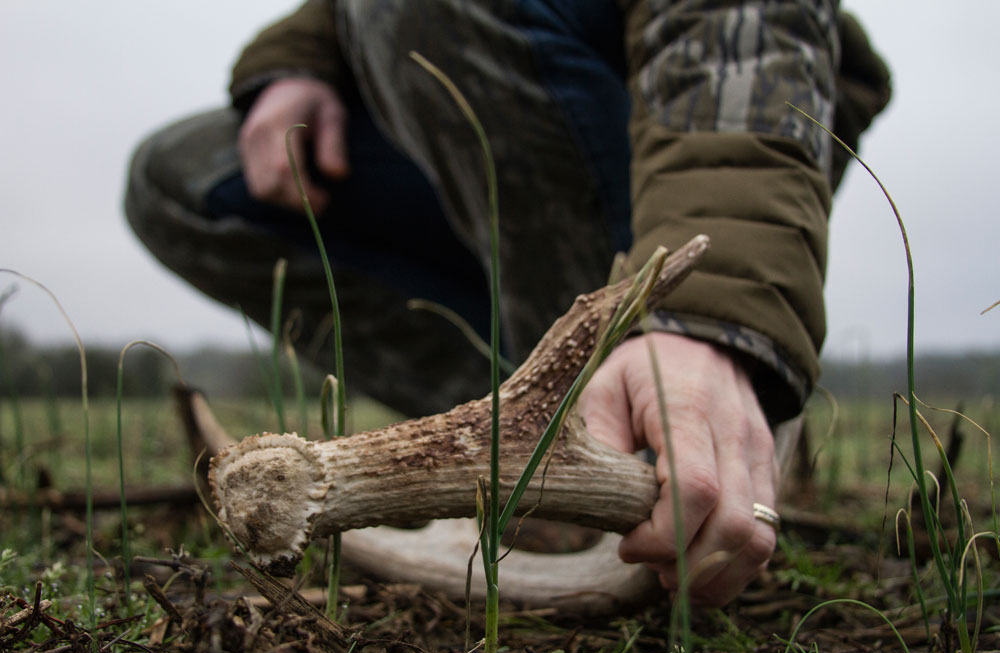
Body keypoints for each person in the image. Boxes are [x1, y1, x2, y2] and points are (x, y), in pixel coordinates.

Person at [125, 0, 890, 607]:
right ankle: (514, 435)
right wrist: (302, 57)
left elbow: (742, 33)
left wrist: (708, 323)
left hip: (663, 108)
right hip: (446, 100)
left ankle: (671, 421)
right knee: (184, 179)